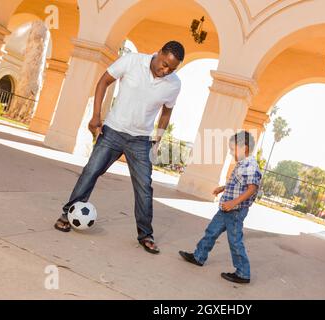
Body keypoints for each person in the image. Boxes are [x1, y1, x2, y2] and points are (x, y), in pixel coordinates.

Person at [54, 41, 185, 255]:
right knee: (90, 172)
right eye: (164, 64)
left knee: (144, 187)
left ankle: (145, 234)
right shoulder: (132, 60)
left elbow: (166, 112)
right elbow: (103, 82)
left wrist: (157, 140)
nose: (166, 71)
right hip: (113, 131)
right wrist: (96, 115)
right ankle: (68, 214)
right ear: (159, 52)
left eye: (172, 68)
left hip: (141, 141)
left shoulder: (174, 84)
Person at [179, 131, 262, 283]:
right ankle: (199, 256)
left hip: (235, 211)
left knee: (235, 241)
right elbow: (238, 184)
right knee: (211, 231)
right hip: (226, 209)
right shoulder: (243, 164)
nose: (231, 153)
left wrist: (233, 203)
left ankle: (243, 273)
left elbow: (251, 188)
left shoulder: (251, 166)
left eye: (233, 149)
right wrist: (222, 188)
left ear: (244, 148)